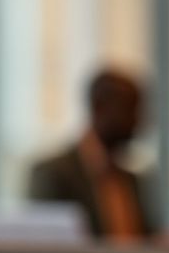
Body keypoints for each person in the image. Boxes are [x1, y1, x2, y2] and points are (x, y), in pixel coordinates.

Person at [28, 68, 156, 242]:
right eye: (130, 109)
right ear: (99, 107)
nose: (138, 121)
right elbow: (47, 249)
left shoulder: (132, 181)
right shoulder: (52, 174)